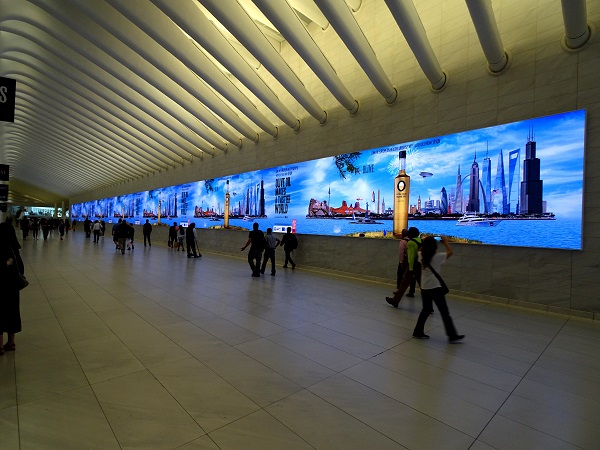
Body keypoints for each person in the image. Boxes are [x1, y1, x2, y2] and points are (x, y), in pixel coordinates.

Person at [412, 236, 464, 342]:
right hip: (435, 287)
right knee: (444, 312)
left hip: (424, 286)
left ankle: (417, 331)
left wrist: (424, 241)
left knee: (426, 310)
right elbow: (450, 252)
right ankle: (452, 335)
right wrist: (445, 242)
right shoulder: (437, 256)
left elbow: (419, 250)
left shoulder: (420, 255)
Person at [0, 219, 24, 355]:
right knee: (12, 313)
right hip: (13, 288)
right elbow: (21, 268)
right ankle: (11, 342)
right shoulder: (14, 249)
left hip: (1, 287)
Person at [386, 226, 421, 308]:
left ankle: (395, 300)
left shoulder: (411, 243)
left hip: (412, 266)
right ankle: (429, 305)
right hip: (420, 265)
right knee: (422, 286)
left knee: (403, 284)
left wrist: (410, 269)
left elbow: (411, 257)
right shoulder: (420, 240)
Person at [396, 228, 416, 296]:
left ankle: (399, 290)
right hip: (412, 260)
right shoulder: (412, 241)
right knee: (412, 276)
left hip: (405, 260)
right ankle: (412, 291)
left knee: (400, 275)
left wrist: (401, 262)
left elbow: (401, 252)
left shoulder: (403, 241)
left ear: (402, 234)